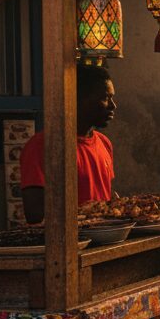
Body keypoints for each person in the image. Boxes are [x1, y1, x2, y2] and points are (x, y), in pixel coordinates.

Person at [21, 64, 116, 223]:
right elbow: (35, 215)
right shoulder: (43, 146)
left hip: (103, 242)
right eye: (106, 98)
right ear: (78, 98)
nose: (113, 106)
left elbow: (102, 199)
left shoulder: (104, 143)